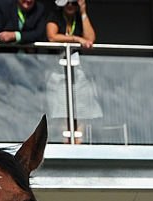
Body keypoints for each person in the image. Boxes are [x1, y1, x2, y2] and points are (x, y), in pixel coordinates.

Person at [45, 0, 99, 143]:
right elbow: (52, 36)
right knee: (62, 114)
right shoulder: (54, 16)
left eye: (74, 3)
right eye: (67, 2)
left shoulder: (79, 19)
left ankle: (79, 146)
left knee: (81, 112)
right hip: (58, 72)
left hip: (78, 73)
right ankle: (66, 145)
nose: (70, 5)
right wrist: (76, 39)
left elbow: (91, 39)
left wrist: (83, 12)